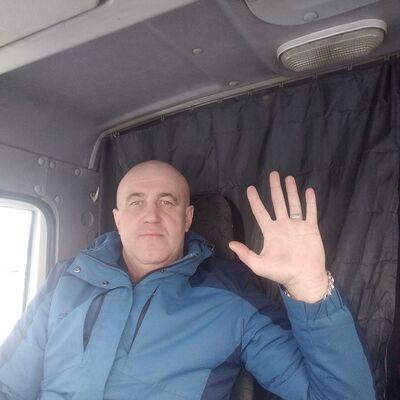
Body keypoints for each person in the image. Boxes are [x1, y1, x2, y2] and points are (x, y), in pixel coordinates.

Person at [0, 160, 375, 399]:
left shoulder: (232, 300)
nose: (151, 215)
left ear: (188, 218)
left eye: (167, 202)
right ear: (117, 218)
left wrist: (311, 289)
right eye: (136, 202)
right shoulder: (65, 279)